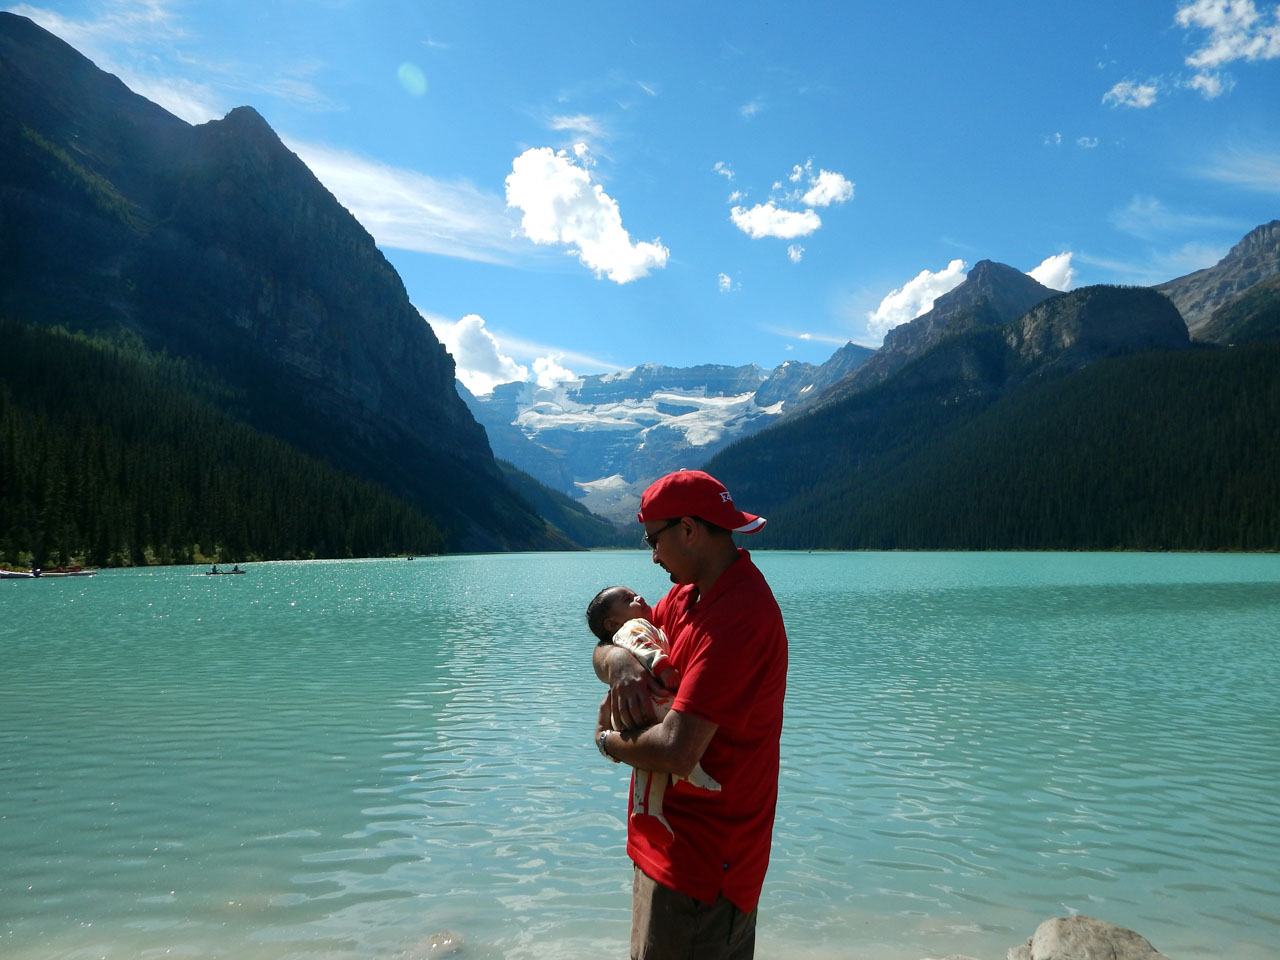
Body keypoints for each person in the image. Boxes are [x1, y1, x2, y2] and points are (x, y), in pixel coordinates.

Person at [593, 469, 788, 960]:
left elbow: (679, 751)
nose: (653, 556)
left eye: (653, 541)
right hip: (667, 847)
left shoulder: (737, 615)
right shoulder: (687, 594)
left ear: (688, 530)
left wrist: (607, 742)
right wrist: (617, 663)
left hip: (704, 868)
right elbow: (616, 639)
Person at [586, 585, 721, 836]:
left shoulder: (645, 618)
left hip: (636, 708)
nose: (639, 597)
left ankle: (647, 810)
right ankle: (689, 775)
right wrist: (660, 668)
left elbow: (673, 752)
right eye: (629, 599)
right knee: (656, 748)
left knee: (648, 764)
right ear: (612, 623)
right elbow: (639, 645)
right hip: (651, 702)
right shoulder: (636, 625)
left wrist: (605, 740)